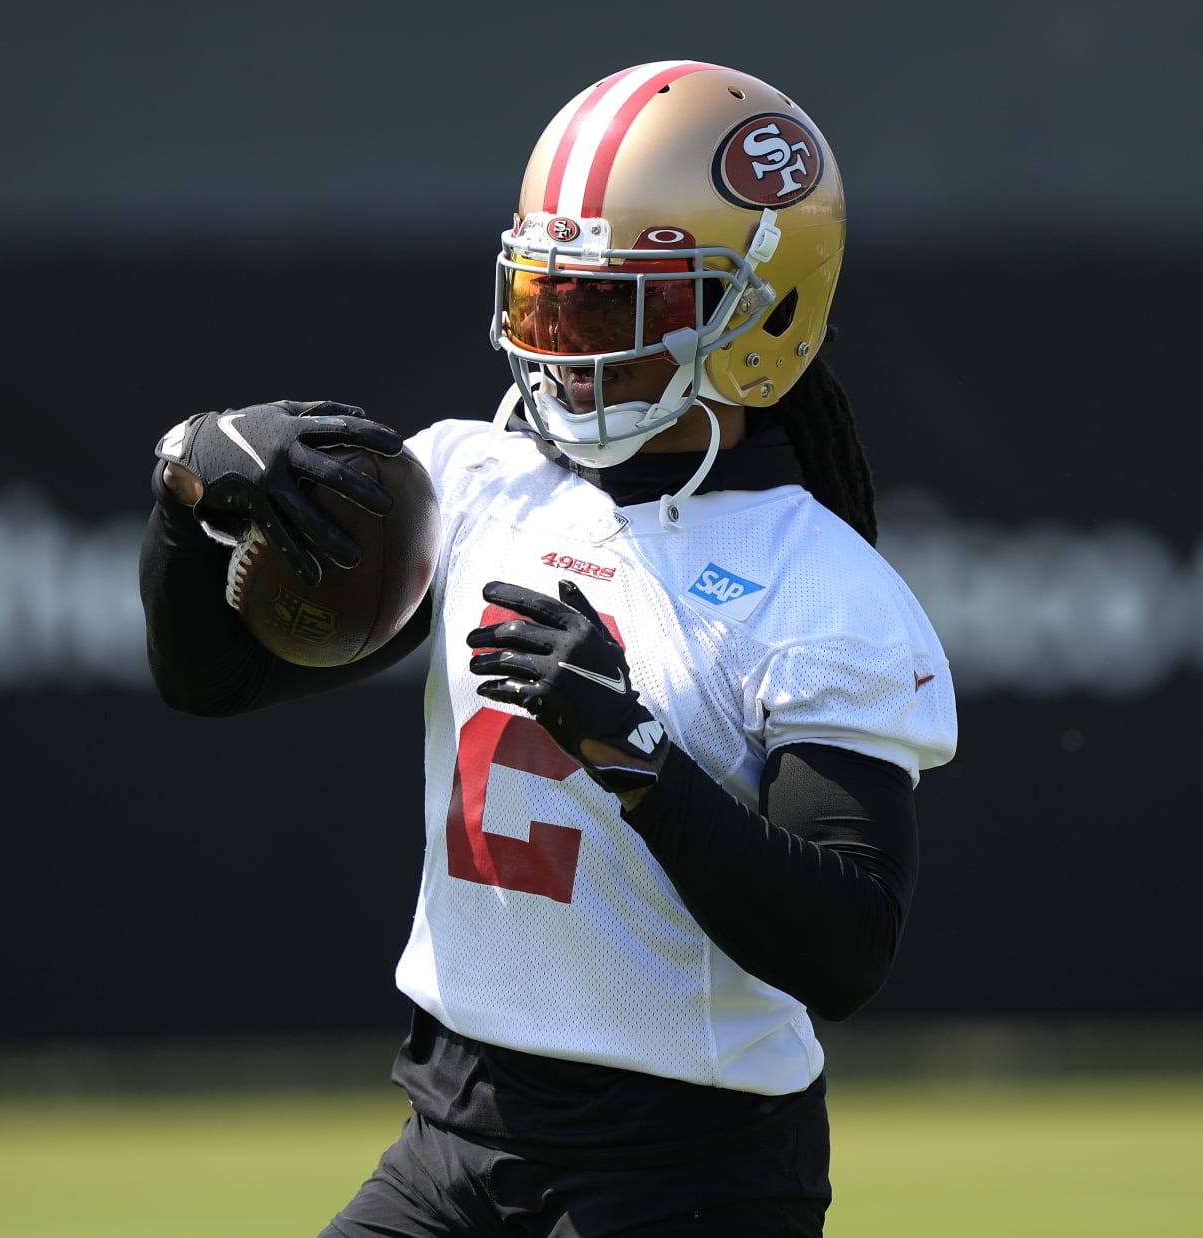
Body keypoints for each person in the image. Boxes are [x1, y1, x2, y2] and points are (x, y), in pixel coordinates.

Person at [139, 59, 957, 1238]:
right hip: (451, 1132)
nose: (563, 345)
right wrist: (185, 501)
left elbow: (846, 948)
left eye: (613, 306)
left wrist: (634, 755)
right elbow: (208, 679)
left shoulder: (820, 585)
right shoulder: (473, 482)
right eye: (548, 299)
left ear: (759, 312)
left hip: (688, 1171)